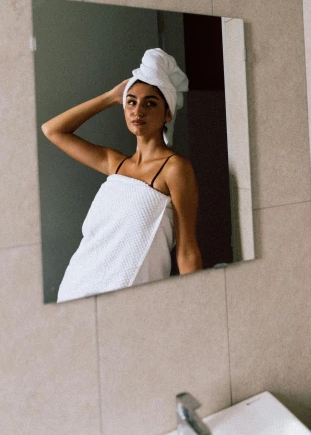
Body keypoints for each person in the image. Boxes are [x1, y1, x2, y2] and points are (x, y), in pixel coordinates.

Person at [42, 48, 203, 302]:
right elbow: (52, 130)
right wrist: (110, 97)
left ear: (167, 113)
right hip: (76, 287)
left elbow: (187, 250)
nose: (138, 111)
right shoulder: (114, 163)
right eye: (131, 102)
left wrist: (200, 305)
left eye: (150, 103)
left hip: (129, 299)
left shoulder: (174, 168)